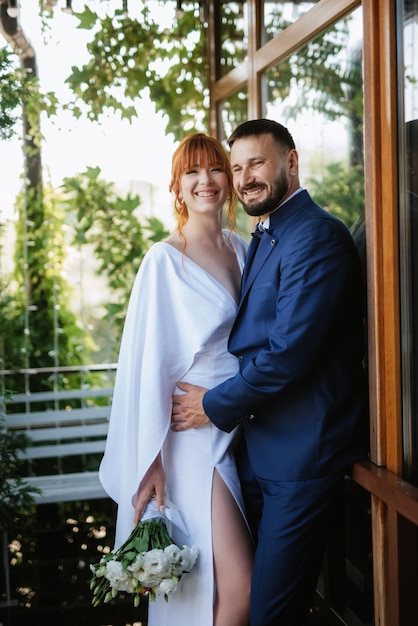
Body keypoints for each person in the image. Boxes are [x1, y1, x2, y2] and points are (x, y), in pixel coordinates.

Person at [171, 119, 368, 626]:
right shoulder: (266, 234)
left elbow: (289, 354)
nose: (244, 177)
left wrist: (211, 406)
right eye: (237, 168)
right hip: (260, 451)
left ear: (291, 162)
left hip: (303, 457)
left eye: (255, 163)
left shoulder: (315, 235)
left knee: (270, 614)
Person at [99, 132, 253, 626]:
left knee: (215, 591)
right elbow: (146, 366)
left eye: (214, 169)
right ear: (177, 186)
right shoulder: (163, 260)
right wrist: (151, 462)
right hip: (192, 441)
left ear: (228, 180)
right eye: (192, 172)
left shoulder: (242, 249)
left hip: (240, 424)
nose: (205, 180)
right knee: (241, 587)